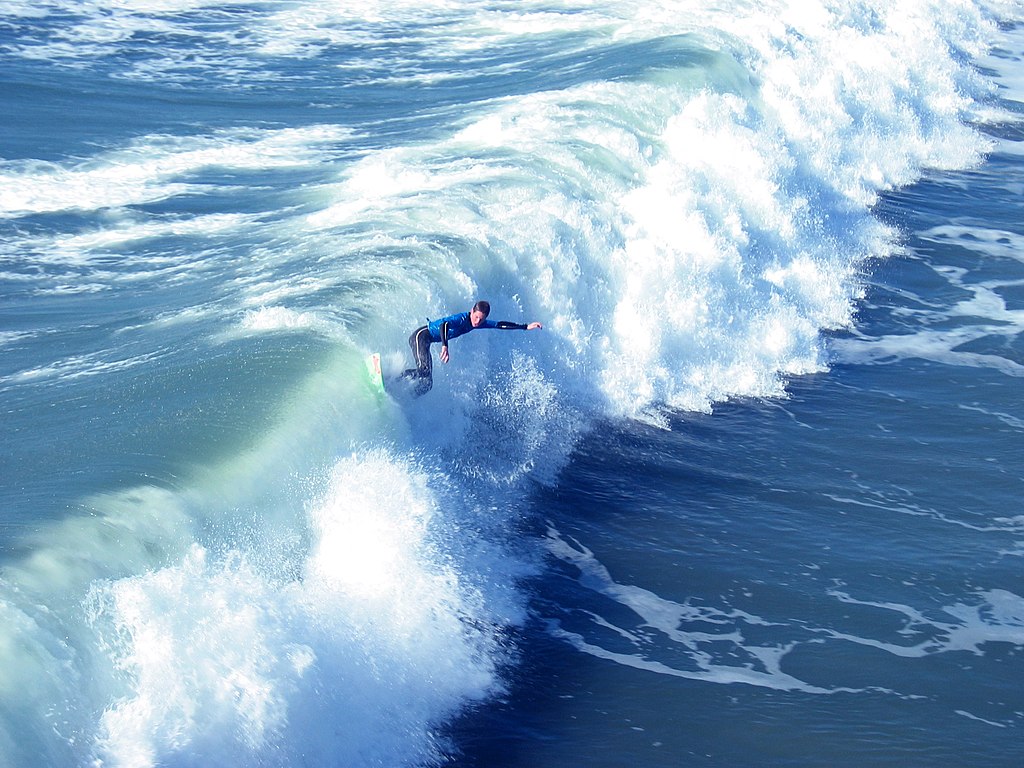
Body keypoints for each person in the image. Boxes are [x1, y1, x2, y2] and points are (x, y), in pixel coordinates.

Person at [401, 300, 543, 396]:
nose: (477, 322)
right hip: (421, 336)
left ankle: (406, 397)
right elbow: (443, 325)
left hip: (428, 341)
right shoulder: (462, 318)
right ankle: (393, 377)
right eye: (476, 317)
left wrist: (525, 326)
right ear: (471, 311)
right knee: (423, 371)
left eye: (481, 319)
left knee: (427, 383)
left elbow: (500, 324)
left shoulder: (479, 323)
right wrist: (445, 346)